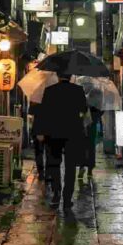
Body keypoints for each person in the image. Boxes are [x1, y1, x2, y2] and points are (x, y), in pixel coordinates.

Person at [35, 73, 88, 208]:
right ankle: (67, 196)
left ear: (58, 77)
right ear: (70, 77)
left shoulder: (49, 91)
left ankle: (56, 192)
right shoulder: (78, 90)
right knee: (70, 165)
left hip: (54, 132)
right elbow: (83, 109)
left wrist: (40, 131)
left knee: (54, 163)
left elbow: (43, 112)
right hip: (72, 132)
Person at [79, 106, 102, 179]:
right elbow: (100, 112)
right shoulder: (96, 102)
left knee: (83, 148)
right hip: (92, 126)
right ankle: (89, 170)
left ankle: (82, 167)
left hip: (82, 127)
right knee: (91, 148)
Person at [27, 101, 48, 179]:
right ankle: (47, 173)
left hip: (38, 128)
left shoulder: (35, 97)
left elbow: (31, 112)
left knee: (39, 152)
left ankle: (41, 173)